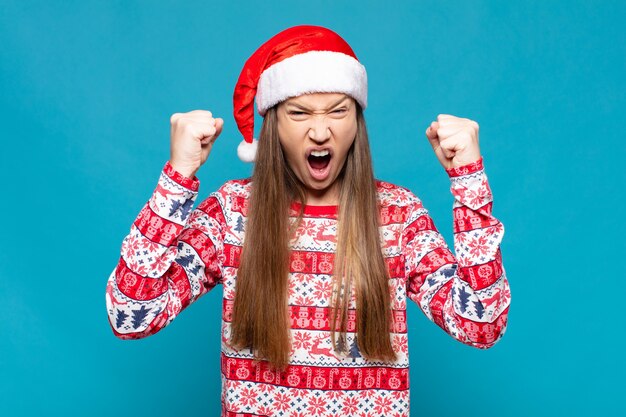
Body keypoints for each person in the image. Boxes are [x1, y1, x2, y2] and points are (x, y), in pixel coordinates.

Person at [105, 25, 511, 417]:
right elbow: (130, 313)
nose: (320, 131)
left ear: (357, 120)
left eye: (338, 110)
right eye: (299, 112)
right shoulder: (231, 214)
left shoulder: (399, 215)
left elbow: (481, 324)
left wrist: (469, 182)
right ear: (273, 124)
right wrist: (178, 178)